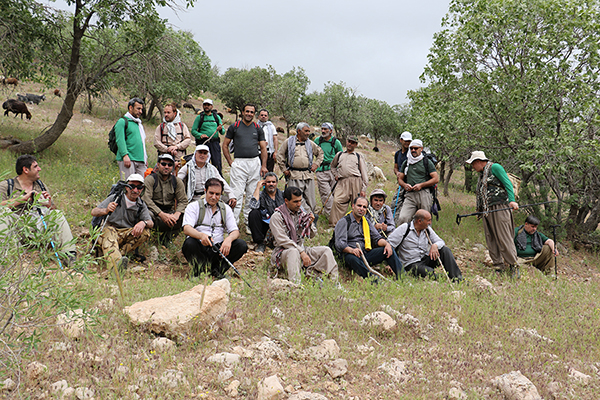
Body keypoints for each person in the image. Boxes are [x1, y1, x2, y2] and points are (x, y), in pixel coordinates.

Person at [0, 155, 76, 266]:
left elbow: (53, 210)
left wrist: (48, 204)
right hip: (18, 227)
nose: (39, 169)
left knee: (57, 214)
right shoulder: (6, 186)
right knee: (3, 213)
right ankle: (7, 258)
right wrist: (23, 198)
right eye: (35, 166)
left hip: (39, 225)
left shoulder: (41, 185)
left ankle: (69, 255)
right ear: (25, 170)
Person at [181, 178, 248, 279]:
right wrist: (201, 235)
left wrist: (228, 240)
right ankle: (198, 270)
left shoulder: (226, 209)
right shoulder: (193, 206)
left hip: (218, 248)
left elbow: (235, 231)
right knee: (189, 244)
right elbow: (186, 228)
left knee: (241, 245)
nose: (214, 197)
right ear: (205, 191)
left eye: (217, 194)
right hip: (200, 246)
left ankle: (218, 270)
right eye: (211, 193)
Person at [270, 186, 338, 284]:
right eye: (295, 201)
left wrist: (310, 224)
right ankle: (296, 284)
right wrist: (301, 252)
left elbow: (312, 235)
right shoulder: (277, 216)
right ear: (286, 201)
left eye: (300, 201)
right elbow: (282, 240)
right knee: (293, 252)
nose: (299, 204)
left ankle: (333, 283)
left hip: (301, 248)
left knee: (326, 250)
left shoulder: (302, 213)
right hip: (284, 252)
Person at [466, 151, 519, 274]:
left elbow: (507, 184)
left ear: (478, 161)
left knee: (503, 236)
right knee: (491, 237)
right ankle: (498, 265)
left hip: (499, 206)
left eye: (473, 164)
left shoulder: (495, 167)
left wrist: (512, 200)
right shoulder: (482, 173)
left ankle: (513, 265)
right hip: (487, 209)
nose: (473, 167)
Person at [91, 174, 154, 271]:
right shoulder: (115, 198)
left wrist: (143, 223)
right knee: (109, 231)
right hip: (109, 231)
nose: (135, 190)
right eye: (132, 186)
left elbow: (150, 222)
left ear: (142, 189)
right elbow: (94, 212)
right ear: (126, 187)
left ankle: (118, 254)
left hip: (125, 233)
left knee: (145, 233)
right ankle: (115, 267)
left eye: (139, 187)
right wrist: (106, 210)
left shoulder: (141, 204)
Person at [334, 196, 403, 281]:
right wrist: (352, 250)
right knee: (352, 259)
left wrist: (387, 244)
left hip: (364, 254)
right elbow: (340, 244)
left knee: (388, 249)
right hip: (349, 254)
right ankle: (373, 279)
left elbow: (377, 238)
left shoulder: (366, 222)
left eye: (364, 207)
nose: (361, 209)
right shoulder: (344, 221)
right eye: (359, 206)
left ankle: (403, 278)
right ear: (353, 206)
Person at [222, 103, 268, 225]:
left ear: (254, 114)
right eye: (247, 111)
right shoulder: (234, 127)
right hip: (239, 163)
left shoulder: (258, 128)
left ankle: (249, 223)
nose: (249, 114)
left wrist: (264, 165)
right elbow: (225, 145)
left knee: (252, 194)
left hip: (254, 163)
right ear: (242, 112)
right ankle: (233, 224)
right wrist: (230, 161)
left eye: (252, 112)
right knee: (236, 194)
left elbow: (263, 148)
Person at [388, 209, 462, 281]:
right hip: (411, 264)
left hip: (424, 259)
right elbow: (389, 244)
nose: (430, 222)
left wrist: (435, 245)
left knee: (445, 250)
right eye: (428, 220)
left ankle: (457, 278)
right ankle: (441, 277)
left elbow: (441, 241)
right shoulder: (404, 228)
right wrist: (392, 263)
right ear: (419, 221)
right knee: (428, 272)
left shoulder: (427, 229)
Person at [277, 122, 323, 215]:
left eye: (308, 131)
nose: (307, 133)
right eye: (306, 131)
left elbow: (320, 153)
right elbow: (280, 155)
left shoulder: (310, 143)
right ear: (298, 131)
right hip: (294, 175)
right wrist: (284, 169)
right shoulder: (289, 142)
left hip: (308, 175)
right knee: (296, 200)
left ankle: (310, 219)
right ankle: (301, 218)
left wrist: (316, 164)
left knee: (311, 200)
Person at [142, 154, 188, 245]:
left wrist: (176, 215)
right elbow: (146, 199)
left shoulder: (177, 181)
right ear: (158, 165)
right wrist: (161, 214)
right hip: (154, 213)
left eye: (170, 165)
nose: (166, 167)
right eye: (163, 164)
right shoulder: (150, 179)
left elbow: (183, 201)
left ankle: (166, 240)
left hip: (170, 213)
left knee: (186, 215)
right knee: (146, 215)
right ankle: (147, 240)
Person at [396, 139, 439, 225]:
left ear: (421, 149)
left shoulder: (427, 162)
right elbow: (400, 179)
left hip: (424, 194)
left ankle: (426, 237)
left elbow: (436, 179)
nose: (413, 150)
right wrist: (405, 185)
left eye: (416, 148)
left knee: (425, 221)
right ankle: (403, 237)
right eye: (411, 148)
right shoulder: (406, 162)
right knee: (403, 218)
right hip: (410, 195)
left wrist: (421, 185)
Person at [329, 136, 369, 227]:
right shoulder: (340, 154)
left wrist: (364, 188)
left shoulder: (358, 156)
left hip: (356, 182)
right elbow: (332, 166)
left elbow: (364, 173)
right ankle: (335, 225)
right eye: (349, 142)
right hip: (342, 182)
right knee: (337, 201)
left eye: (352, 142)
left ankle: (357, 225)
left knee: (357, 204)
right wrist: (336, 175)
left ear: (356, 145)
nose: (350, 144)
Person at [248, 172, 284, 253]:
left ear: (277, 183)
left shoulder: (283, 194)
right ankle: (261, 243)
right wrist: (258, 188)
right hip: (265, 226)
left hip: (280, 226)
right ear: (264, 183)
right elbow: (253, 206)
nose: (271, 184)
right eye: (268, 182)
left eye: (273, 182)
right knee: (253, 213)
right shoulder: (260, 195)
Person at [314, 122, 343, 218]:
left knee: (336, 195)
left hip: (333, 171)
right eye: (322, 129)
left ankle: (338, 215)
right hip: (321, 170)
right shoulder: (317, 141)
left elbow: (341, 157)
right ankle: (330, 217)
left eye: (325, 129)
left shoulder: (336, 142)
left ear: (331, 131)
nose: (323, 131)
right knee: (326, 195)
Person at [115, 97, 148, 180]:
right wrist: (125, 155)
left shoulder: (138, 124)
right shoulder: (122, 122)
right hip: (129, 159)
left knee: (141, 185)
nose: (140, 111)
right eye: (138, 108)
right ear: (130, 108)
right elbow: (120, 140)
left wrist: (144, 158)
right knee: (128, 184)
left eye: (141, 109)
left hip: (140, 160)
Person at [153, 102, 192, 169]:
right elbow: (156, 142)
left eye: (168, 112)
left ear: (174, 113)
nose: (166, 114)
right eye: (165, 112)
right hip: (164, 161)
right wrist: (167, 149)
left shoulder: (182, 126)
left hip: (179, 159)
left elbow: (188, 140)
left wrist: (177, 147)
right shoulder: (161, 127)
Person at [191, 99, 225, 174]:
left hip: (214, 143)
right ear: (203, 106)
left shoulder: (216, 117)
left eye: (208, 105)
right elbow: (193, 131)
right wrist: (200, 135)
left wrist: (220, 129)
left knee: (217, 163)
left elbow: (223, 132)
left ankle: (218, 180)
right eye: (205, 105)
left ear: (212, 106)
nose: (207, 106)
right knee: (202, 162)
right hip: (203, 143)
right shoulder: (199, 117)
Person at [392, 131, 413, 224]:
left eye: (409, 141)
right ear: (401, 140)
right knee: (395, 204)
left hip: (410, 183)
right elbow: (395, 167)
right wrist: (398, 173)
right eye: (405, 140)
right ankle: (393, 223)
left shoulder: (412, 153)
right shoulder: (397, 154)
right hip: (401, 183)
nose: (407, 143)